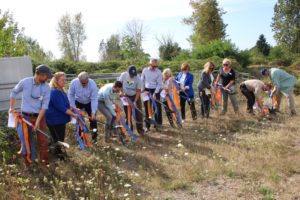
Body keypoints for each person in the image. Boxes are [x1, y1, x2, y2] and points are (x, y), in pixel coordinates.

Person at [9, 64, 52, 166]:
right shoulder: (25, 82)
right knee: (26, 140)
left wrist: (37, 122)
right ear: (40, 74)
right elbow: (14, 92)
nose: (47, 78)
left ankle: (44, 163)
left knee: (43, 141)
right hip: (25, 117)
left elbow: (45, 106)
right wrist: (11, 107)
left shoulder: (46, 87)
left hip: (39, 117)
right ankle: (28, 163)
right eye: (46, 76)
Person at [46, 72, 78, 159]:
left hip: (59, 119)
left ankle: (59, 154)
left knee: (60, 138)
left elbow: (65, 105)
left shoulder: (61, 91)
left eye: (65, 79)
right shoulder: (54, 92)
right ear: (56, 81)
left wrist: (73, 108)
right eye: (62, 80)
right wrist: (74, 115)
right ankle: (59, 157)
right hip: (54, 120)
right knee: (58, 139)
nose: (65, 81)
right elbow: (61, 108)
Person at [68, 72, 99, 142]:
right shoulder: (74, 82)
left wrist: (93, 112)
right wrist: (74, 108)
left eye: (85, 83)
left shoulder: (92, 84)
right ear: (79, 80)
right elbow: (70, 95)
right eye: (82, 83)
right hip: (78, 102)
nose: (83, 84)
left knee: (93, 120)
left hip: (89, 102)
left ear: (88, 80)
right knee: (79, 120)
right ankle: (81, 139)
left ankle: (94, 138)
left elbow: (94, 98)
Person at [118, 66, 144, 135]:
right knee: (128, 114)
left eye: (133, 74)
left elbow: (138, 91)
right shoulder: (123, 75)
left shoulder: (138, 78)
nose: (132, 76)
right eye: (131, 74)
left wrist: (135, 101)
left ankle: (140, 130)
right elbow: (119, 85)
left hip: (135, 96)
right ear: (128, 72)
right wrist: (120, 92)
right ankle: (130, 130)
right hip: (125, 96)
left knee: (139, 113)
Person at [141, 58, 163, 131]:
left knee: (157, 108)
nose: (153, 67)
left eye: (155, 66)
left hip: (155, 90)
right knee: (147, 108)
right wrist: (142, 89)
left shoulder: (159, 72)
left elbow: (159, 83)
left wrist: (155, 93)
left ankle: (158, 125)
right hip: (146, 90)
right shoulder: (145, 70)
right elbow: (142, 80)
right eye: (152, 66)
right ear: (149, 64)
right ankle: (147, 126)